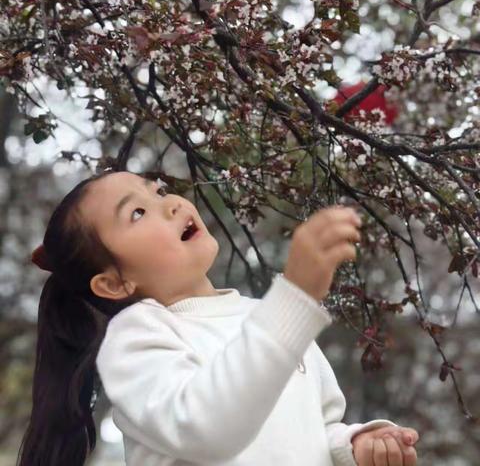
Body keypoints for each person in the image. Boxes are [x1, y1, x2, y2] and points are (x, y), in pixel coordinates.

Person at [17, 169, 419, 466]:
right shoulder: (136, 339)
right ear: (114, 283)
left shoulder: (267, 318)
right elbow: (205, 428)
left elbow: (316, 430)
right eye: (138, 212)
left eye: (159, 191)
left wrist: (354, 447)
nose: (171, 203)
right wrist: (295, 297)